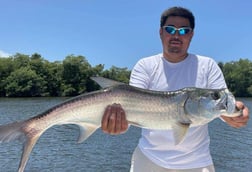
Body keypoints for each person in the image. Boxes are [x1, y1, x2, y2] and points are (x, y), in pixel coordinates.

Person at [101, 7, 250, 172]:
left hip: (198, 163)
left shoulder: (207, 66)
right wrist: (116, 123)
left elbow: (224, 112)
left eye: (184, 30)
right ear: (160, 32)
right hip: (148, 159)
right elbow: (130, 109)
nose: (176, 35)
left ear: (191, 35)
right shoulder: (145, 66)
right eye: (170, 29)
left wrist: (236, 115)